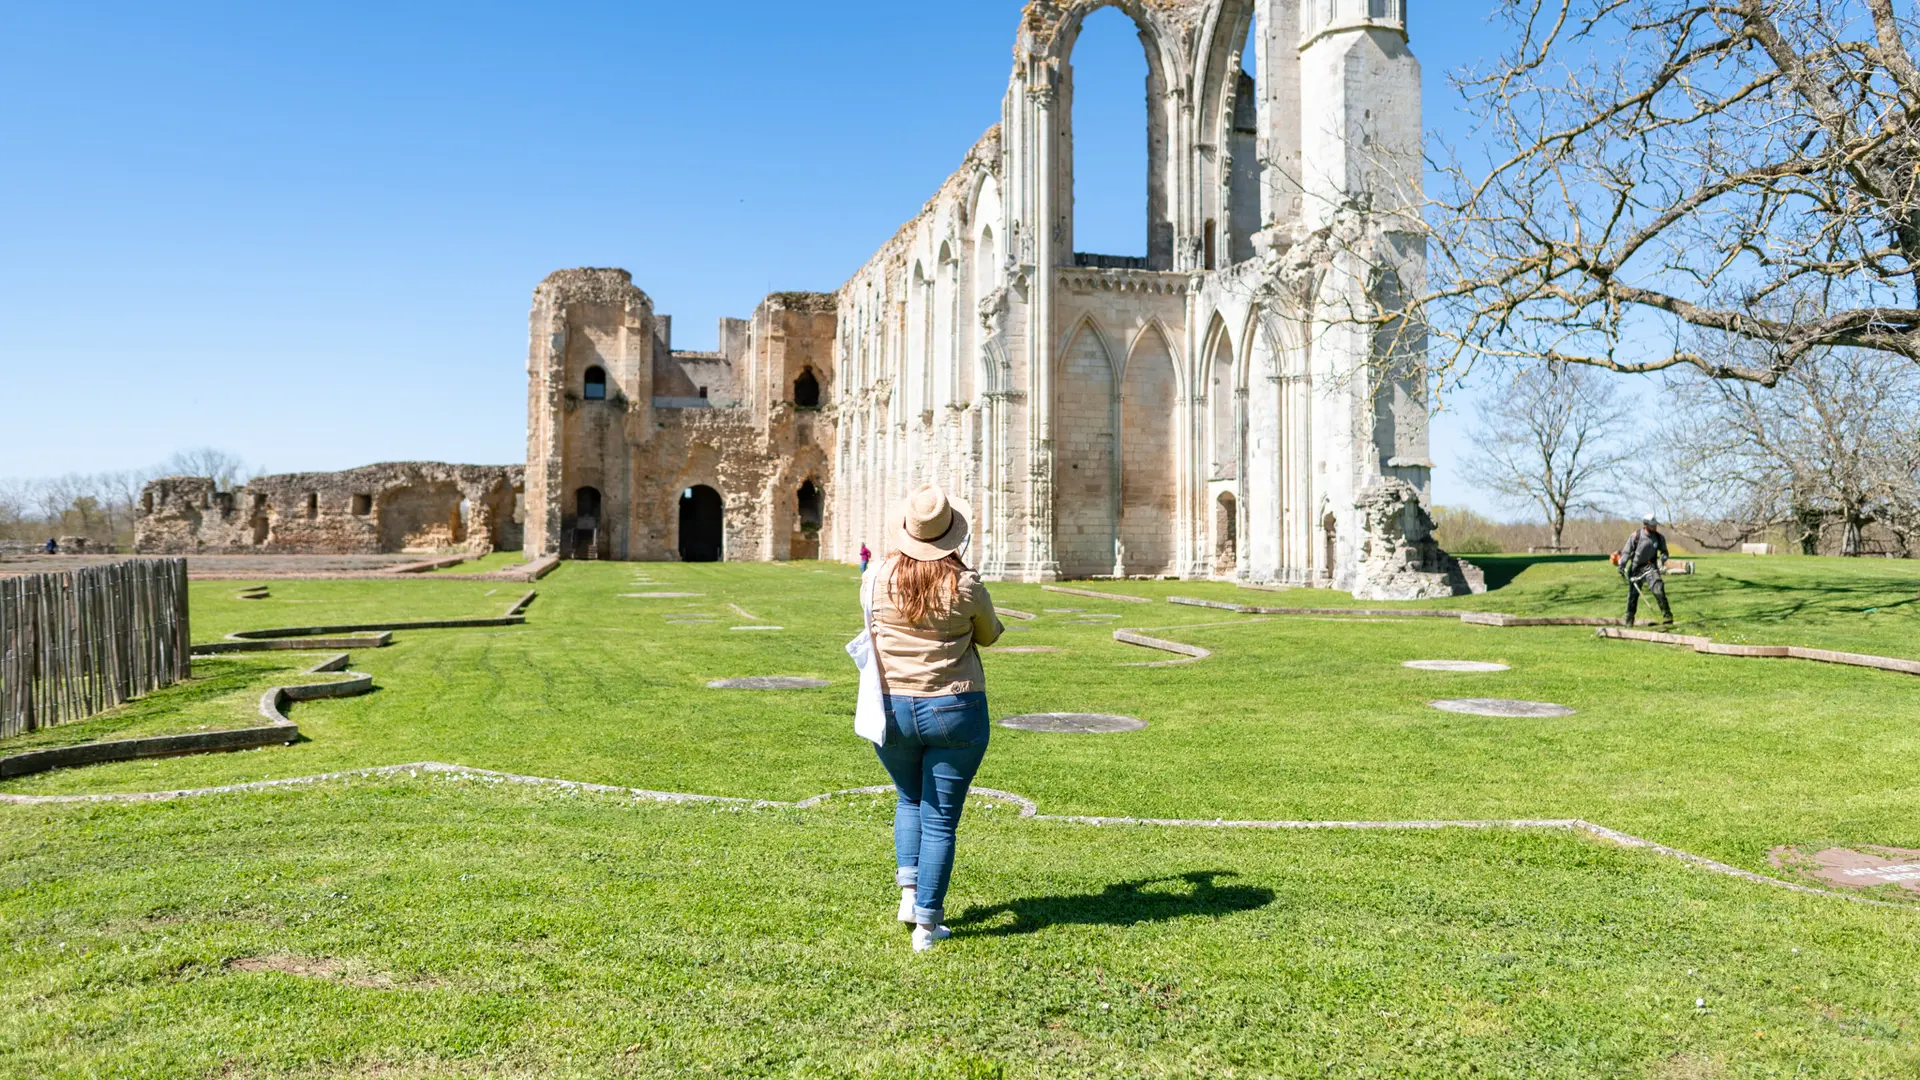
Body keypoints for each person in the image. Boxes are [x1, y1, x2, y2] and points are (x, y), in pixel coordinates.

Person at [864, 484, 1004, 952]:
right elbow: (989, 635)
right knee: (940, 817)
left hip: (892, 706)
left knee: (908, 799)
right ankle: (927, 923)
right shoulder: (966, 584)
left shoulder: (878, 576)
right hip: (953, 706)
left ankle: (910, 897)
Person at [1618, 514, 1673, 626]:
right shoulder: (1636, 536)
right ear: (1646, 525)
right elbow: (1626, 552)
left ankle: (1667, 616)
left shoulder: (1658, 537)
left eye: (1655, 525)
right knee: (1633, 596)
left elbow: (1664, 552)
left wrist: (1664, 557)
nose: (1654, 527)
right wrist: (1622, 565)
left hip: (1650, 567)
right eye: (1652, 525)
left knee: (1658, 588)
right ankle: (1629, 620)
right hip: (1636, 569)